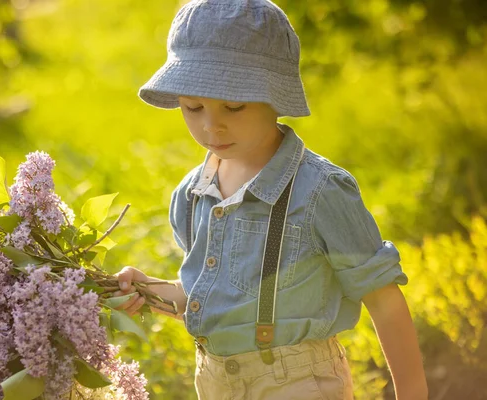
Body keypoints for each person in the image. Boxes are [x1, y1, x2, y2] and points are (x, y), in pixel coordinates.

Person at [114, 0, 428, 399]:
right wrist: (149, 291)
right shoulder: (192, 195)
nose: (211, 125)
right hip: (214, 383)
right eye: (193, 107)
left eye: (233, 106)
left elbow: (383, 300)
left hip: (297, 384)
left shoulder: (319, 191)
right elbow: (216, 296)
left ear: (275, 96)